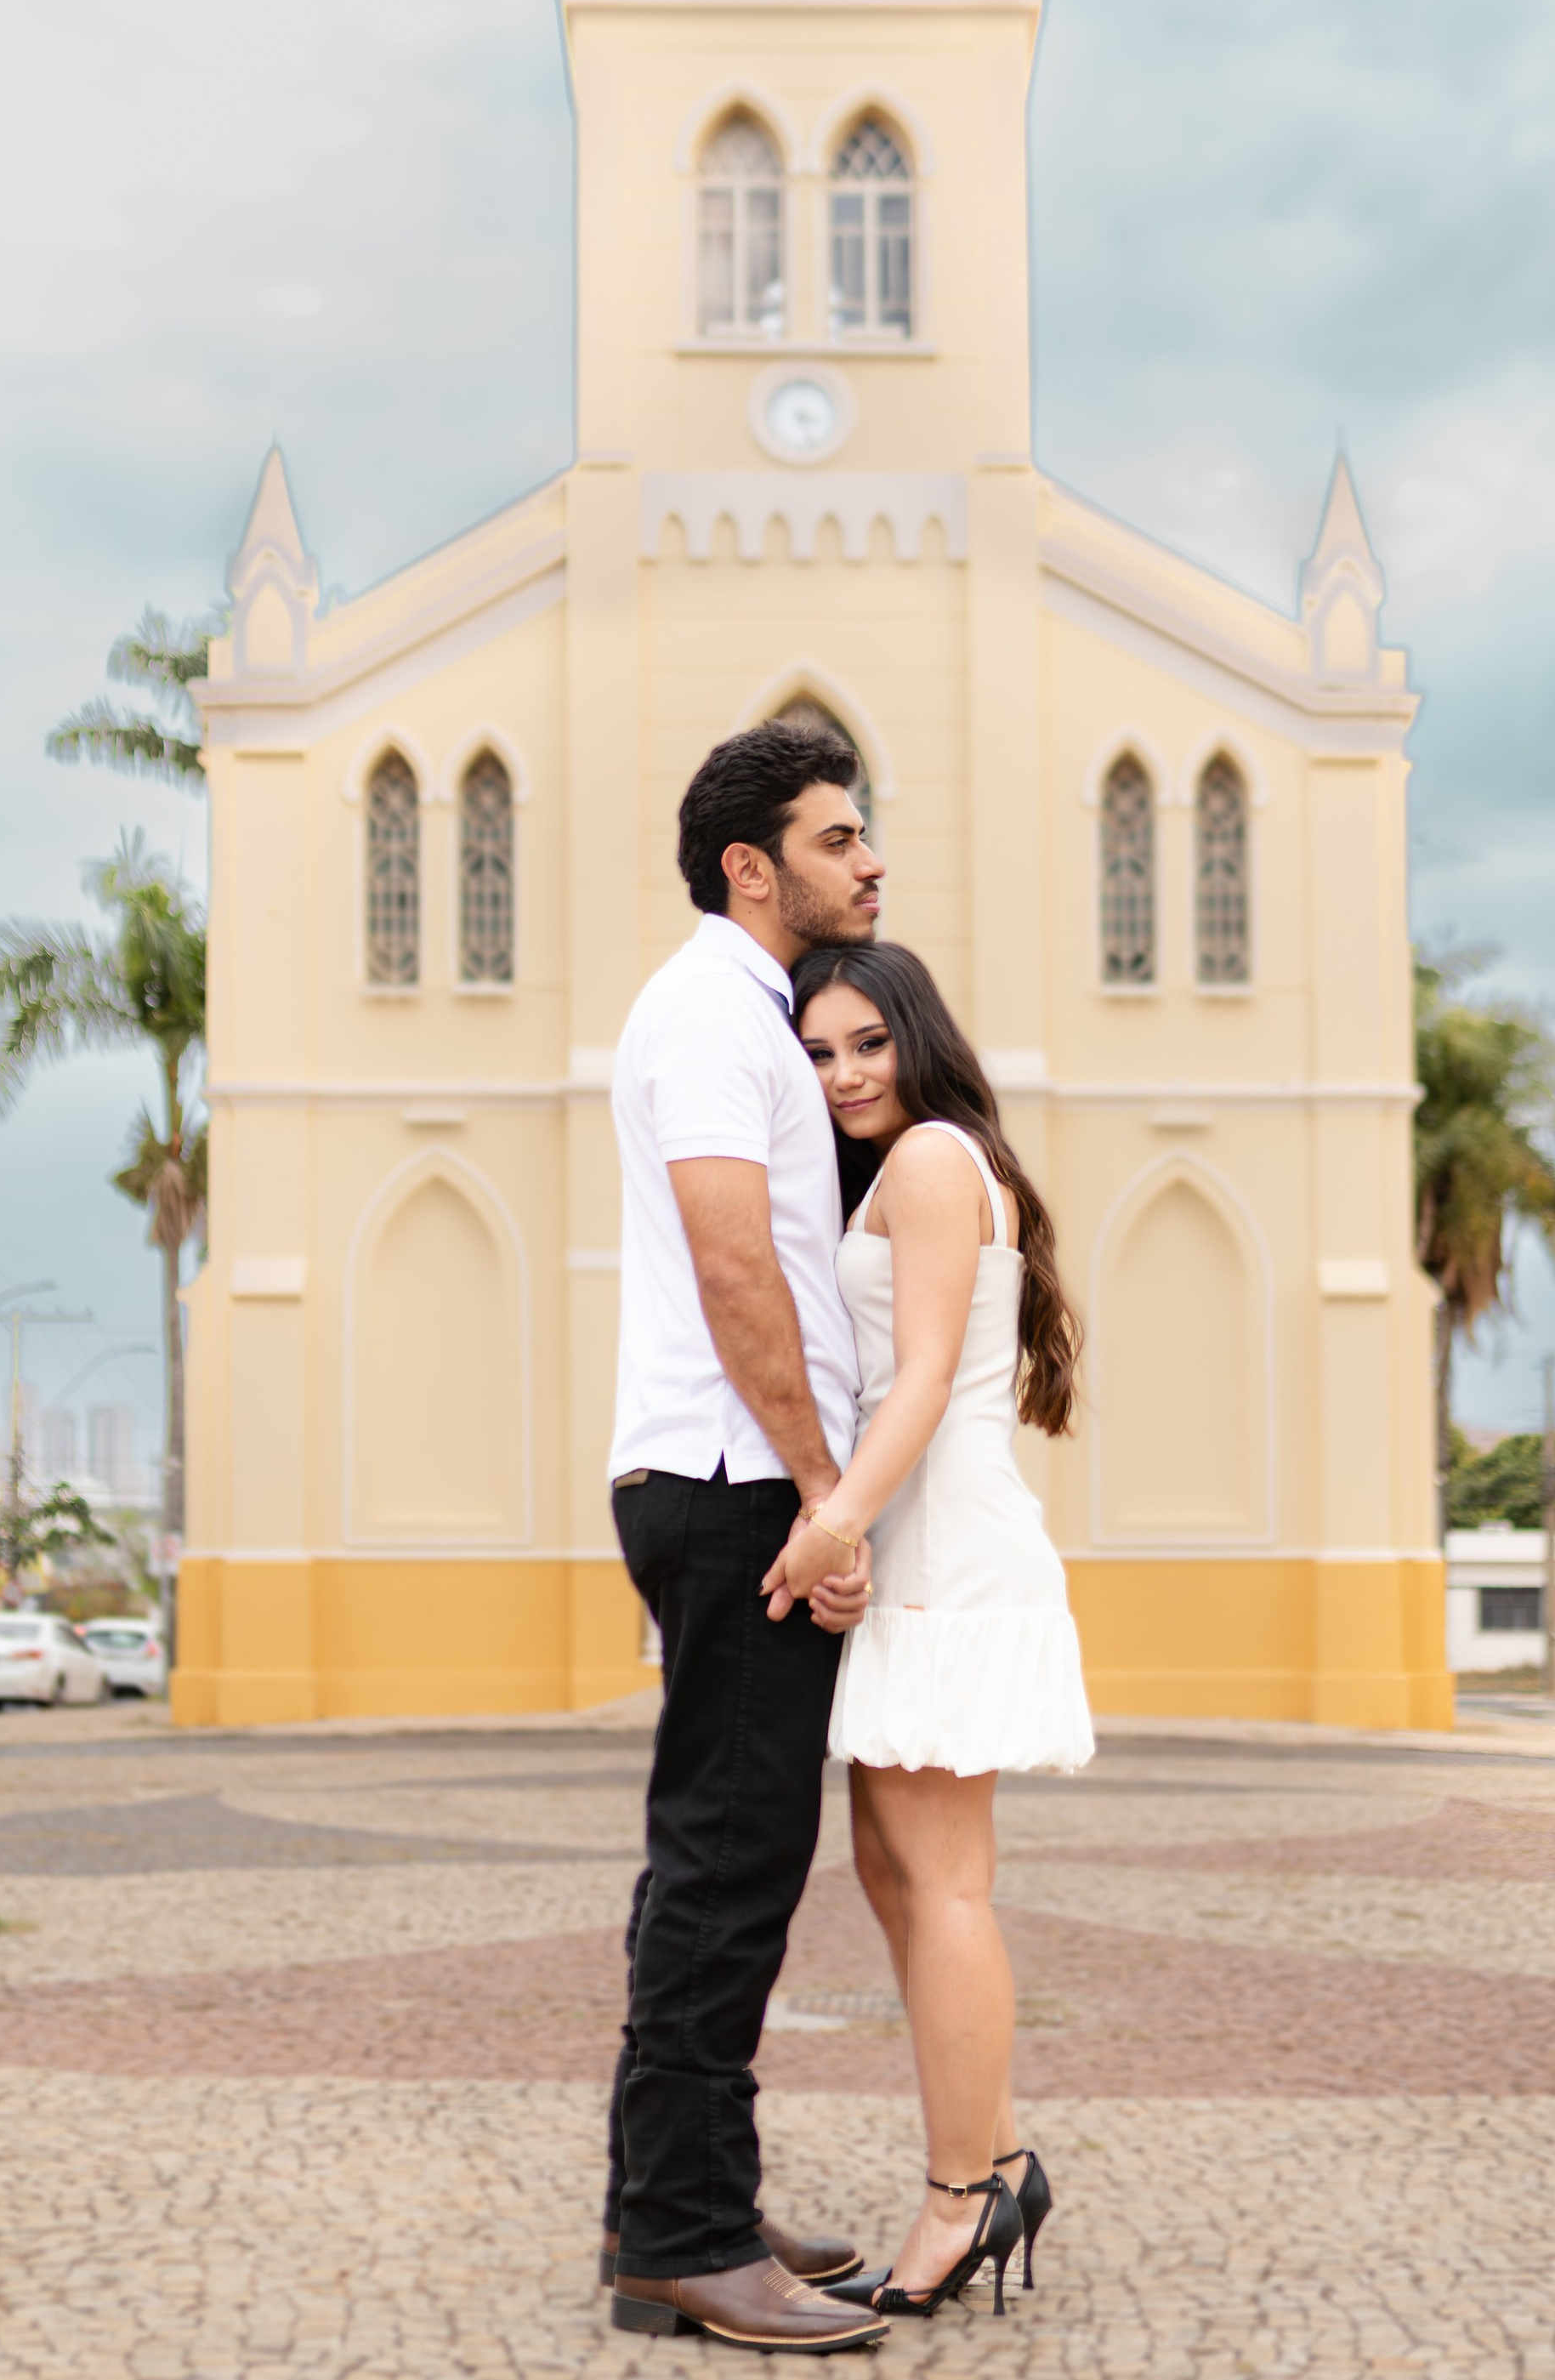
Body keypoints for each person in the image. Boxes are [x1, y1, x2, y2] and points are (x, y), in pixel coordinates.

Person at [603, 721, 892, 2355]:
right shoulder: (713, 1014)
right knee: (728, 1866)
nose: (870, 861)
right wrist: (824, 1492)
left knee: (715, 1863)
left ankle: (680, 2194)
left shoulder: (741, 1015)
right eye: (840, 836)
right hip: (736, 1488)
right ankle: (684, 2241)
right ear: (752, 865)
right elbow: (736, 1271)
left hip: (718, 1481)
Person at [775, 940, 1093, 2320]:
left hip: (940, 1544)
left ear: (917, 1033)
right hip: (922, 1536)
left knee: (943, 1877)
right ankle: (1000, 2152)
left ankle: (962, 2193)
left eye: (864, 1043)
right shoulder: (943, 1161)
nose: (843, 1074)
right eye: (818, 1054)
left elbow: (911, 1385)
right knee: (895, 1871)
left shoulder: (929, 1162)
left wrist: (833, 1523)